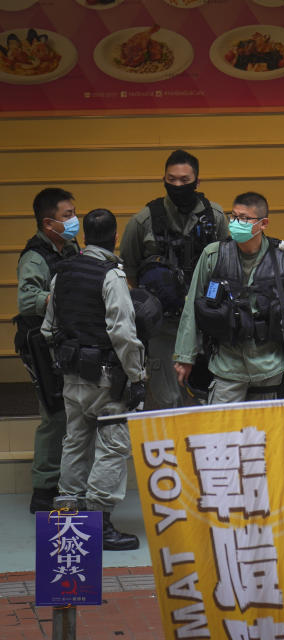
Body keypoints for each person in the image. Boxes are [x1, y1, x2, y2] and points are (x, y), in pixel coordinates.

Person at [41, 209, 146, 551]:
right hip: (106, 378)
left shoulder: (62, 272)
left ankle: (68, 512)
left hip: (72, 375)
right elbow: (123, 334)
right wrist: (137, 376)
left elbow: (48, 328)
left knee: (74, 441)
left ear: (83, 237)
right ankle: (100, 522)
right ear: (115, 238)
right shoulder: (111, 276)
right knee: (112, 446)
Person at [173, 192, 284, 404]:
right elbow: (192, 306)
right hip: (227, 365)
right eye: (234, 216)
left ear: (263, 223)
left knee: (265, 434)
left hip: (270, 364)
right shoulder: (213, 255)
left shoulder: (282, 257)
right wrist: (185, 356)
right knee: (223, 435)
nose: (237, 223)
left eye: (245, 218)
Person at [118, 150, 229, 409]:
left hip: (205, 326)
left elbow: (227, 266)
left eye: (184, 180)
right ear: (164, 179)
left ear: (197, 182)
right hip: (163, 329)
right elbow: (128, 271)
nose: (178, 185)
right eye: (172, 179)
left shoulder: (215, 217)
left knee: (208, 399)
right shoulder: (143, 220)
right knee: (167, 401)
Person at [15, 188, 80, 513]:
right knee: (53, 416)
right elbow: (27, 301)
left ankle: (66, 484)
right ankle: (43, 490)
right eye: (67, 216)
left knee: (71, 415)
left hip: (66, 342)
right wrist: (62, 297)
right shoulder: (35, 256)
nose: (73, 221)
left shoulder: (69, 248)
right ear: (48, 222)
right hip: (41, 346)